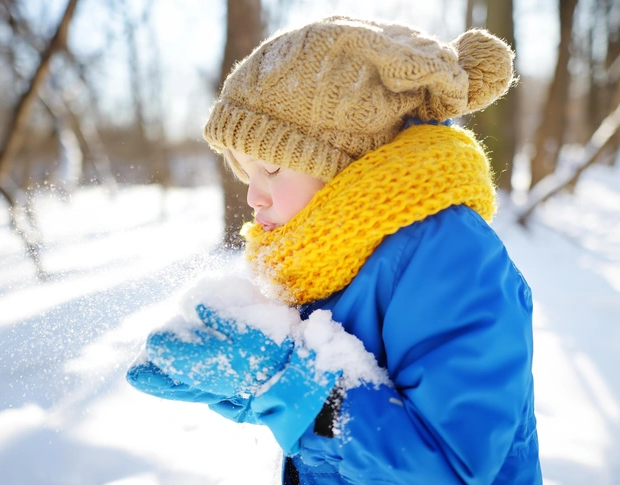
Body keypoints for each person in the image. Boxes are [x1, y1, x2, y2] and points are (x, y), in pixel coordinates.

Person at [128, 16, 542, 484]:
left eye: (270, 168)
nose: (252, 197)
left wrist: (285, 380)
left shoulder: (450, 257)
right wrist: (248, 387)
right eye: (245, 173)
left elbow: (449, 468)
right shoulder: (331, 252)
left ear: (347, 162)